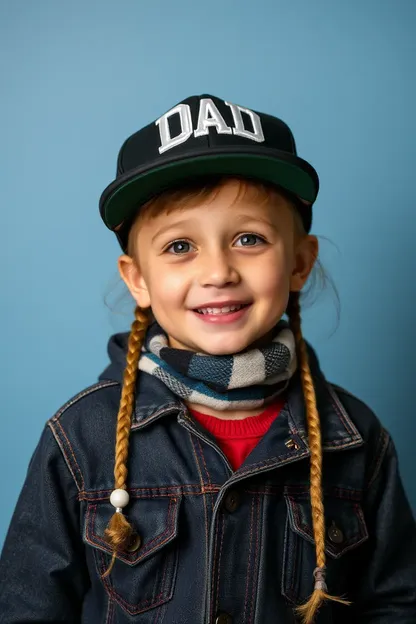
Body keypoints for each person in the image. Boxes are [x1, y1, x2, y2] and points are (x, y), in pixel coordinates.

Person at [0, 94, 415, 624]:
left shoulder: (355, 438)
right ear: (138, 279)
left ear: (299, 262)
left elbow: (394, 604)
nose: (218, 271)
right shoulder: (81, 437)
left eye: (249, 239)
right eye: (179, 247)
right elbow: (27, 607)